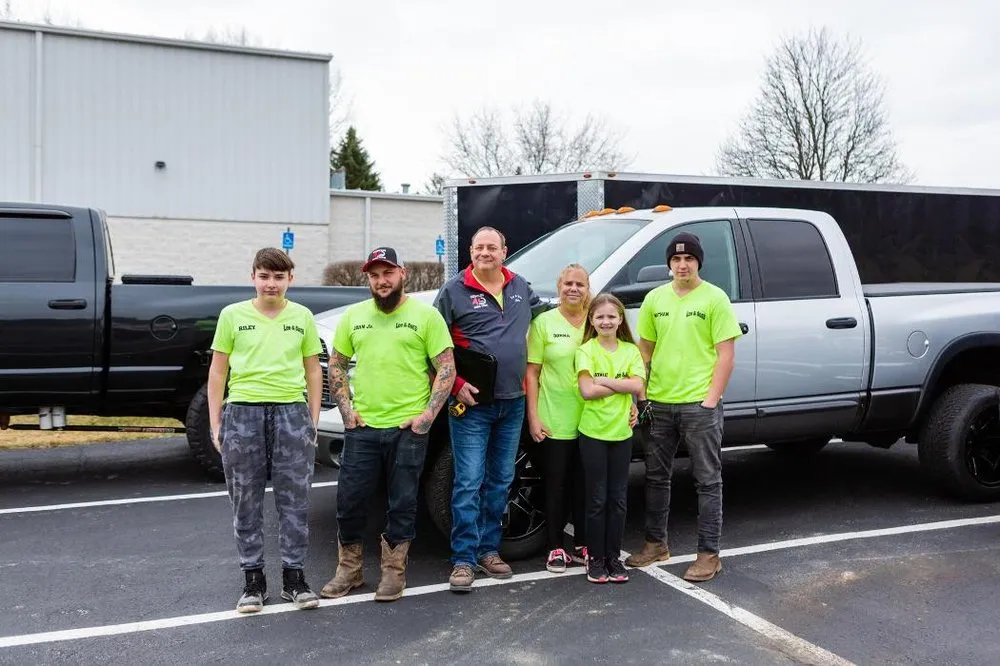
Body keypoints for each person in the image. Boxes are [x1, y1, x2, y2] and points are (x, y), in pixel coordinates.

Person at [320, 247, 455, 602]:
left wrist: (427, 417)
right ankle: (349, 571)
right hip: (363, 428)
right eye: (374, 275)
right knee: (349, 500)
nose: (381, 281)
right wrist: (346, 410)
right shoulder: (354, 316)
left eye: (387, 273)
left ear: (402, 274)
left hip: (407, 430)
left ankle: (394, 574)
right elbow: (336, 364)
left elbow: (446, 367)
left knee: (402, 502)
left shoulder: (426, 317)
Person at [208, 247, 323, 613]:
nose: (271, 283)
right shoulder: (232, 316)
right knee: (246, 500)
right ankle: (253, 581)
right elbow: (217, 372)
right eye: (264, 276)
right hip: (243, 414)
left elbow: (313, 370)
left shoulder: (302, 317)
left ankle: (295, 578)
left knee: (295, 500)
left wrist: (312, 419)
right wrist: (216, 423)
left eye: (279, 277)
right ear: (253, 277)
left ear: (290, 279)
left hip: (291, 413)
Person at [625, 231, 742, 583]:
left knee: (707, 481)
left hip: (698, 405)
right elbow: (643, 352)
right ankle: (656, 544)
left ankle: (708, 554)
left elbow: (726, 356)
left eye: (688, 259)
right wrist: (640, 396)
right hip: (659, 402)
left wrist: (710, 401)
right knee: (656, 478)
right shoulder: (654, 300)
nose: (682, 265)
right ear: (669, 264)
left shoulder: (714, 299)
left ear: (698, 262)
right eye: (676, 260)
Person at [433, 226, 544, 593]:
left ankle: (488, 550)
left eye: (492, 247)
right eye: (479, 247)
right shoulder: (453, 291)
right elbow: (431, 347)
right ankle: (463, 559)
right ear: (470, 251)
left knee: (500, 481)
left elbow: (548, 316)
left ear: (504, 250)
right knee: (467, 482)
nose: (485, 252)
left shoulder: (520, 287)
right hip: (471, 405)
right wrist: (457, 385)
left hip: (512, 402)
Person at [574, 293, 646, 584]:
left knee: (618, 499)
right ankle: (596, 559)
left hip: (621, 433)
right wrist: (621, 385)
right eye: (600, 317)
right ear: (592, 320)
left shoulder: (630, 351)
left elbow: (639, 385)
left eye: (611, 316)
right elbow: (587, 391)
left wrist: (603, 380)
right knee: (597, 499)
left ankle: (614, 558)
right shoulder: (586, 351)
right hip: (593, 432)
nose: (606, 321)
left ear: (620, 320)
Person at [526, 263, 590, 572]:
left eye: (579, 283)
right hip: (555, 418)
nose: (573, 289)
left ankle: (582, 543)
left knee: (585, 484)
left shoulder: (597, 321)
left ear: (587, 288)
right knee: (556, 485)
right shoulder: (544, 323)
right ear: (559, 286)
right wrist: (533, 417)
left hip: (593, 419)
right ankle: (554, 547)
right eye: (567, 283)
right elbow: (532, 371)